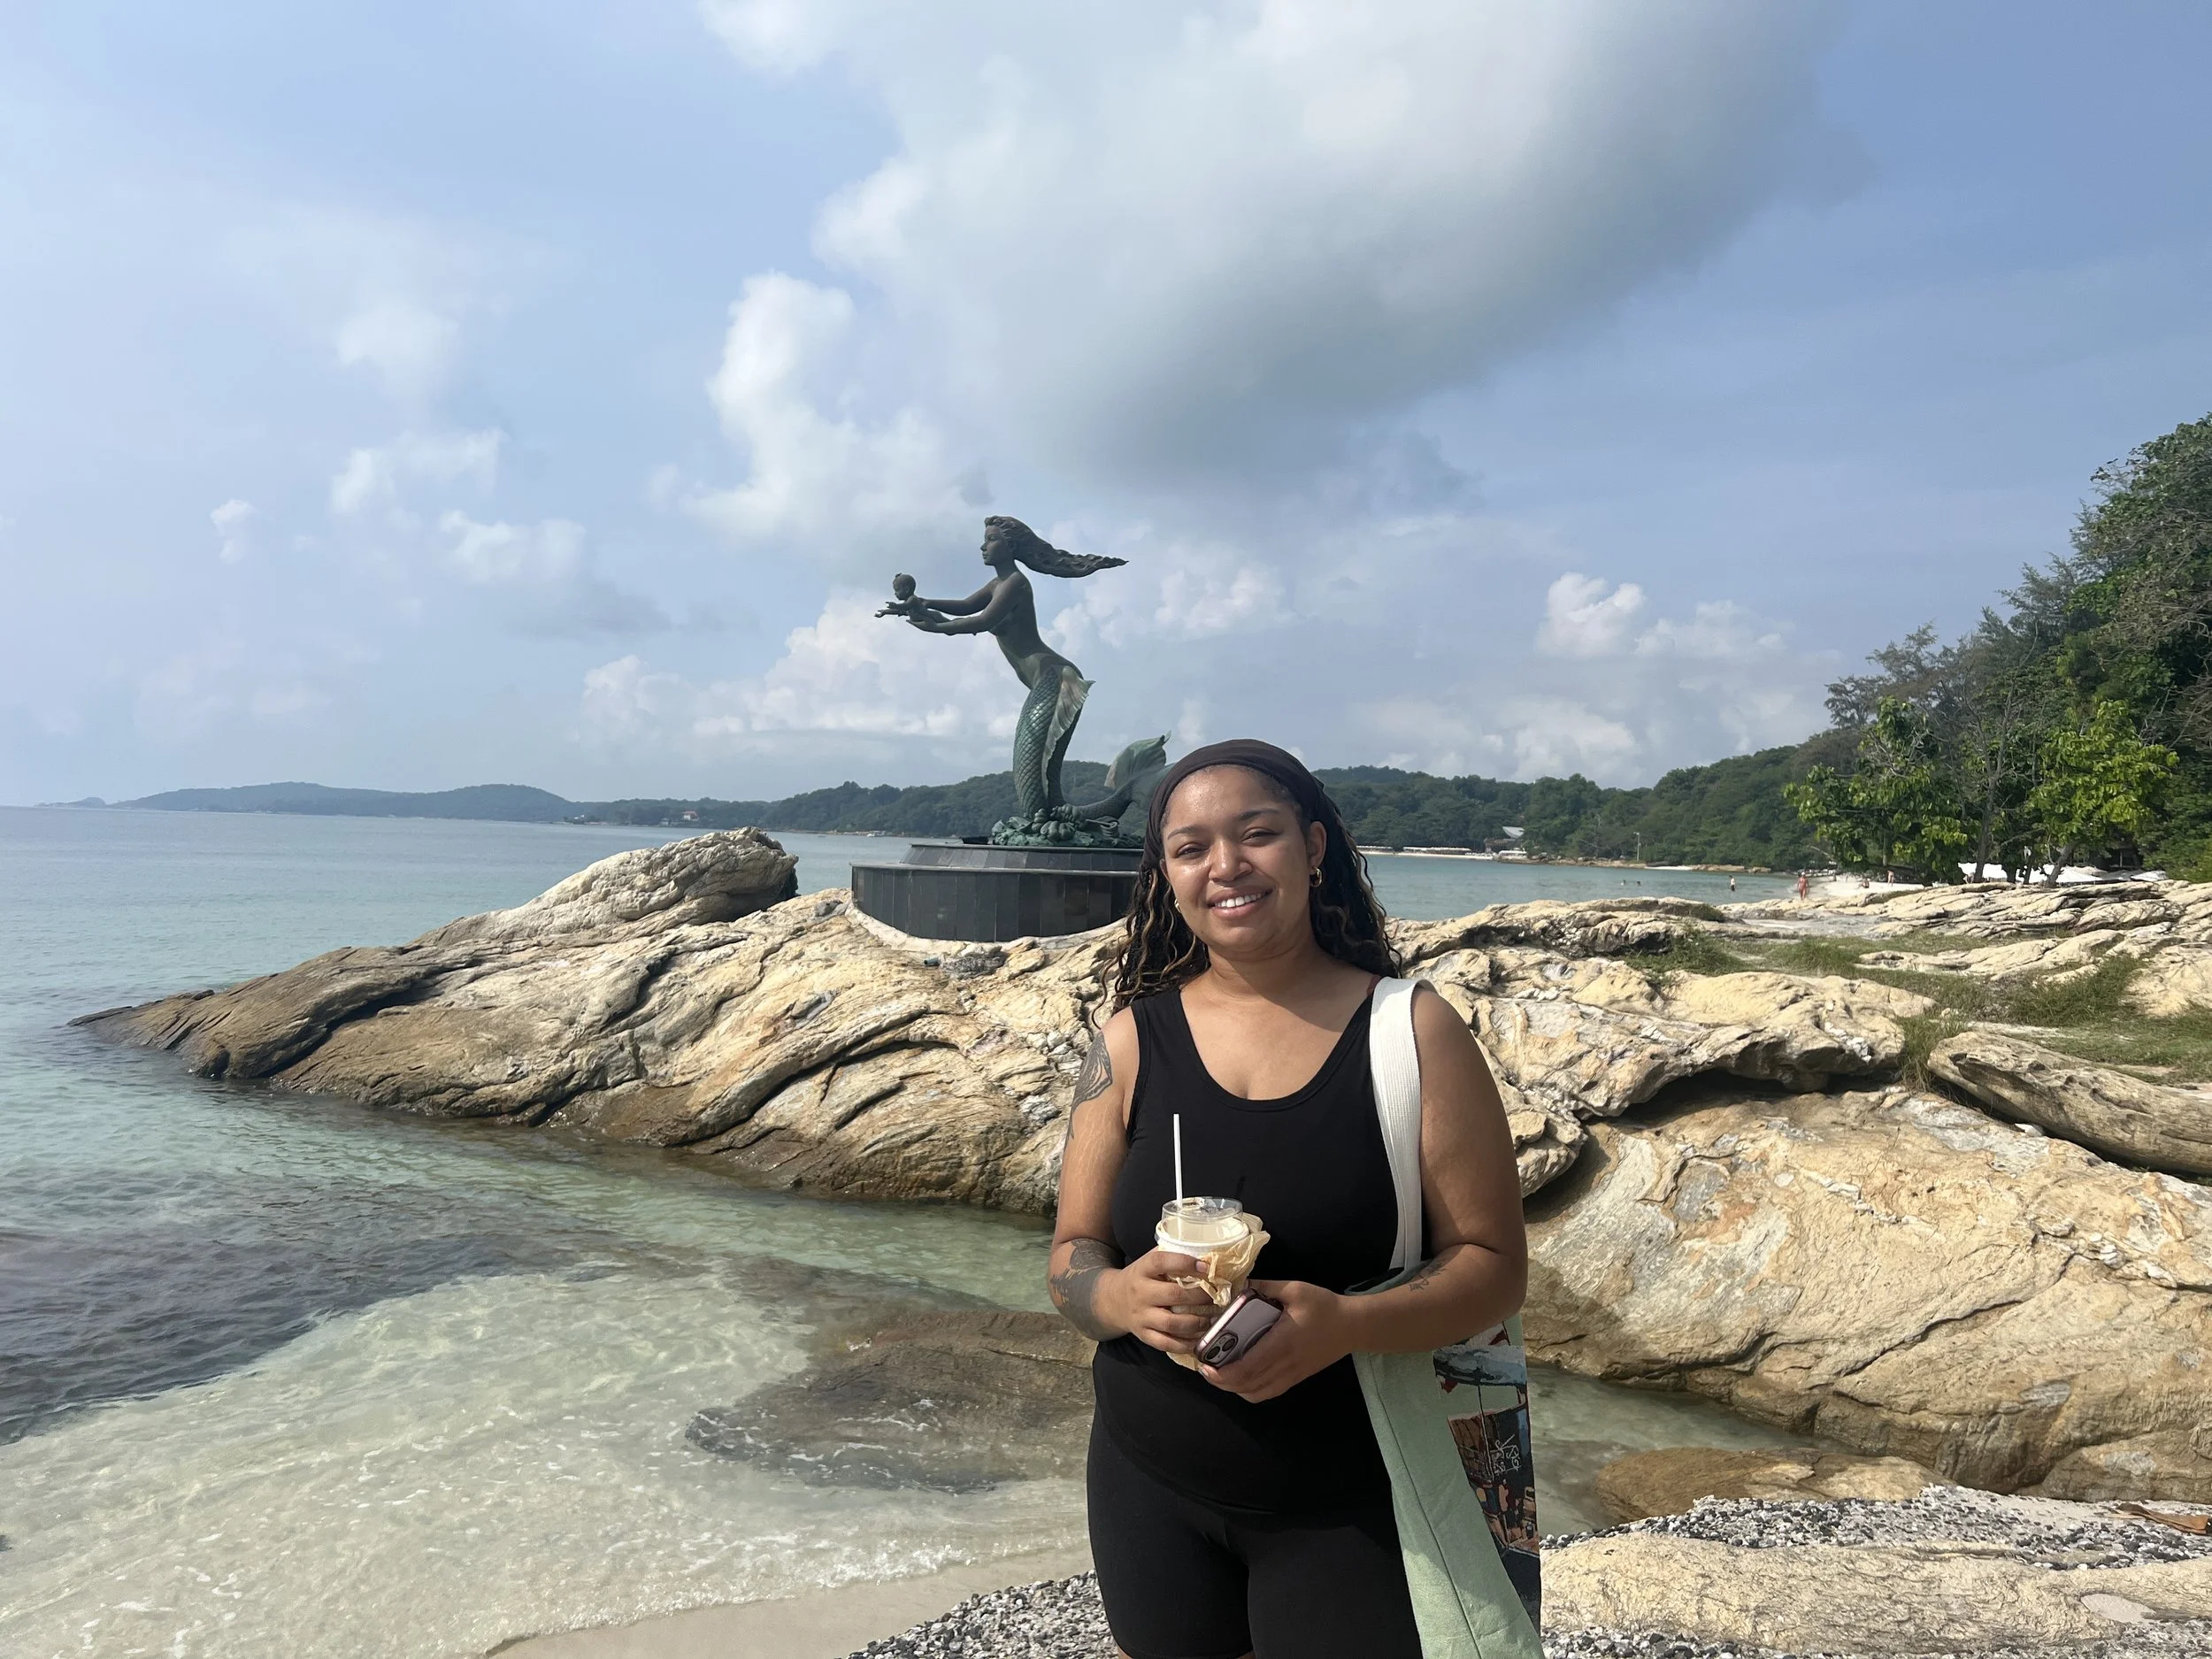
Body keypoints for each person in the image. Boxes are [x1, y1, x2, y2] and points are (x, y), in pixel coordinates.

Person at [1048, 740, 1529, 1659]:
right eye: (1190, 848)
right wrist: (1116, 1298)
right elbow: (1072, 1250)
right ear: (1166, 877)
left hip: (1352, 1493)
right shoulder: (1130, 1041)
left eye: (1255, 834)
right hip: (1146, 1481)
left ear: (1312, 848)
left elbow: (1494, 1269)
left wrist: (1340, 1323)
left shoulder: (1410, 1030)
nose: (1224, 865)